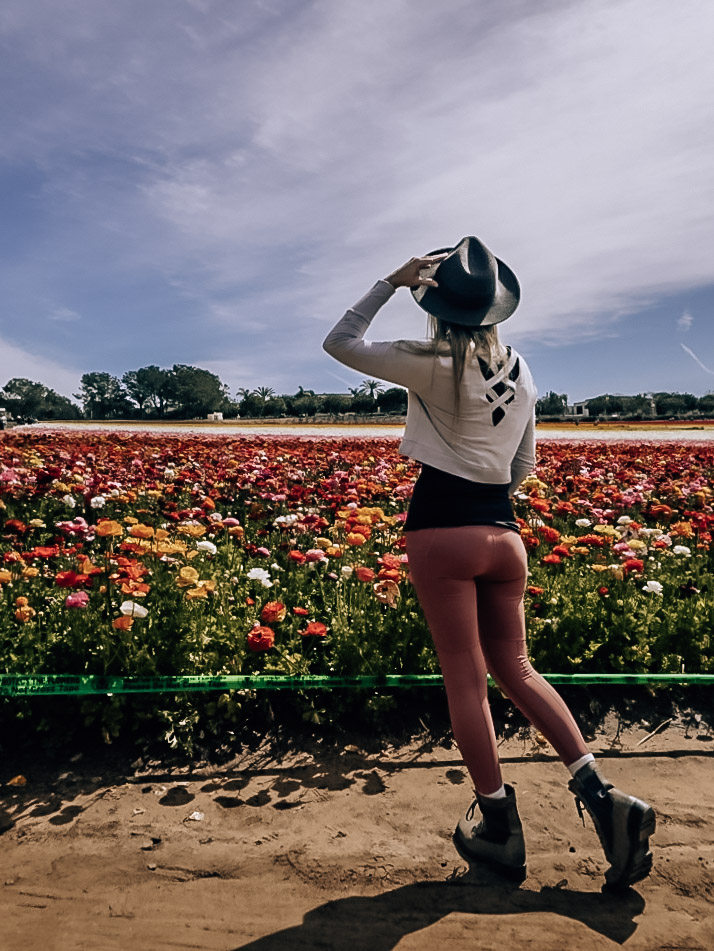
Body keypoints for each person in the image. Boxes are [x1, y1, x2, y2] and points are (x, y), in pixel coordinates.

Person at [322, 236, 655, 890]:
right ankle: (603, 796)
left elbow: (341, 342)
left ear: (438, 305)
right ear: (497, 308)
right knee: (519, 670)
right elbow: (524, 465)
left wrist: (388, 282)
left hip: (442, 529)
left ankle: (500, 827)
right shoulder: (522, 369)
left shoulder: (433, 360)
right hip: (505, 537)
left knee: (466, 682)